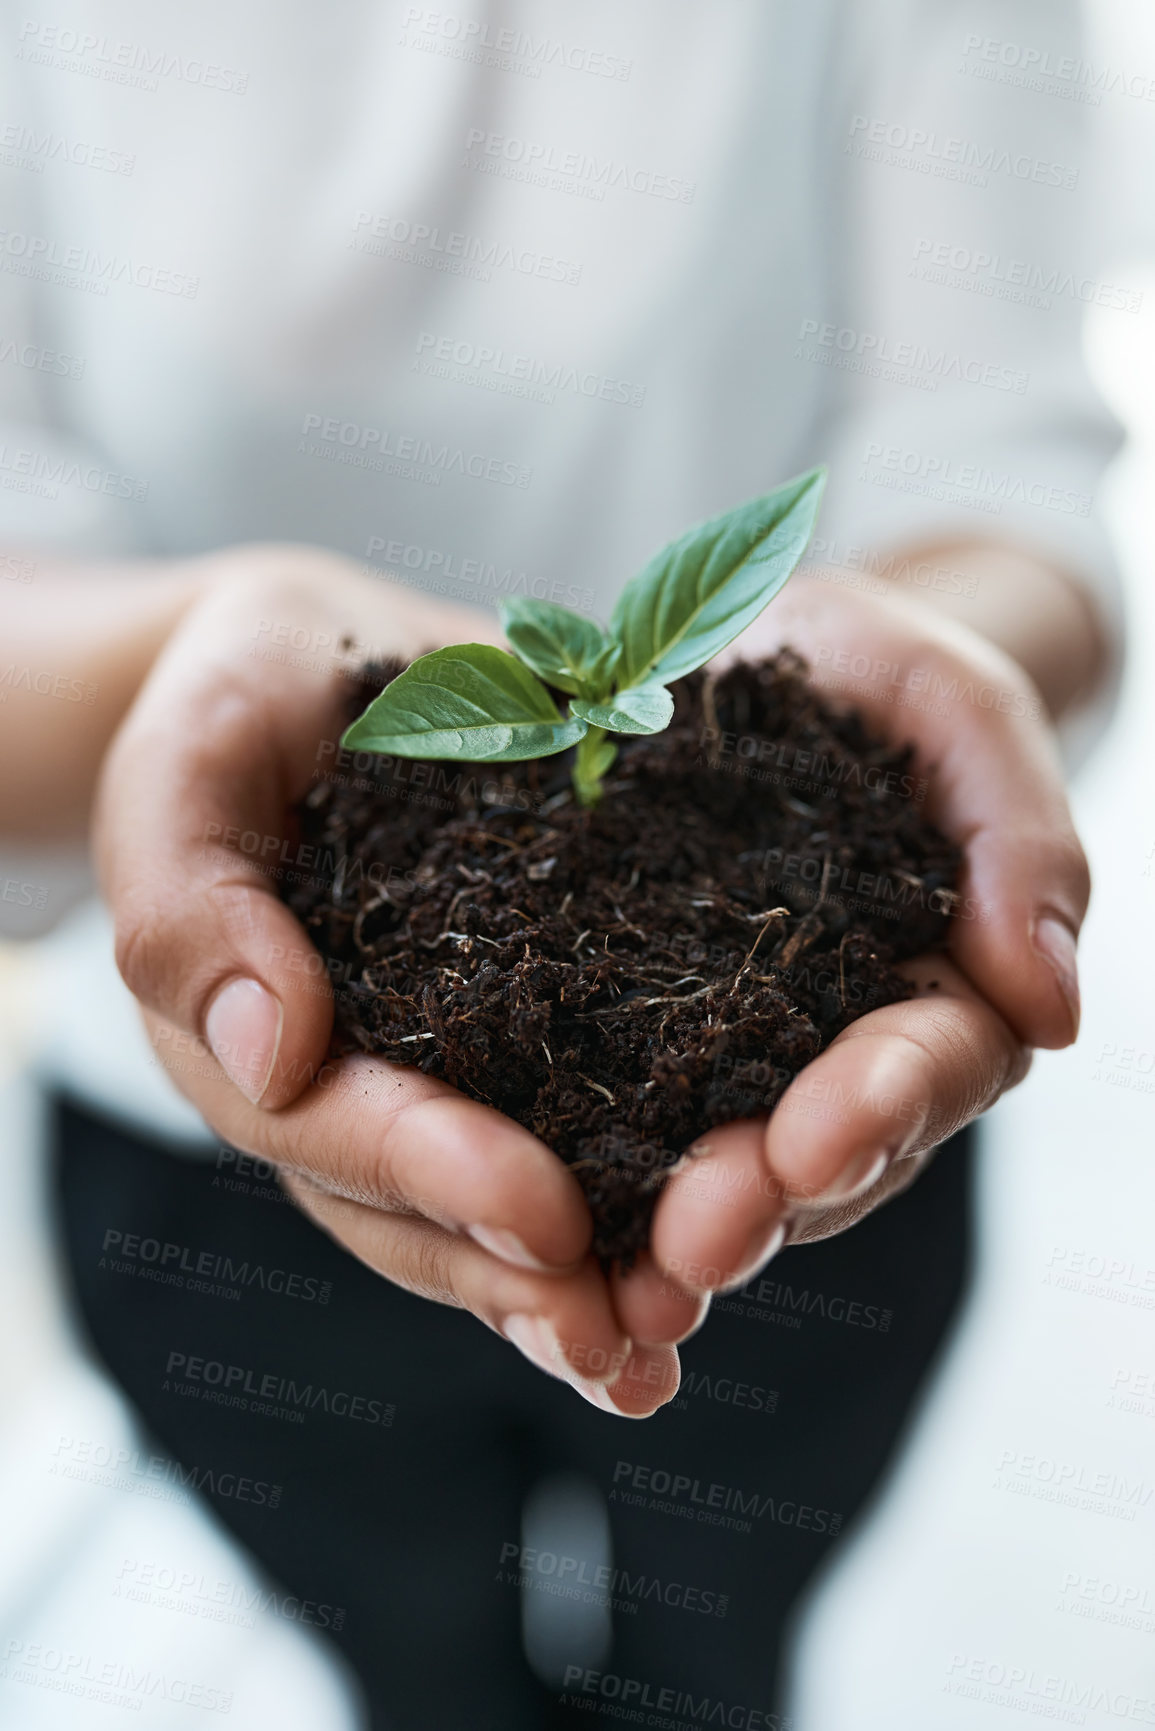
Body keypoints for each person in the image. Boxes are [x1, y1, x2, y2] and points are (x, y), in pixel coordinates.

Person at [0, 1, 1120, 1724]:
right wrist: (184, 664)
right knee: (411, 1657)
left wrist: (921, 653)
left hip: (811, 1195)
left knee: (721, 1652)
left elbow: (1005, 468)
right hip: (204, 1143)